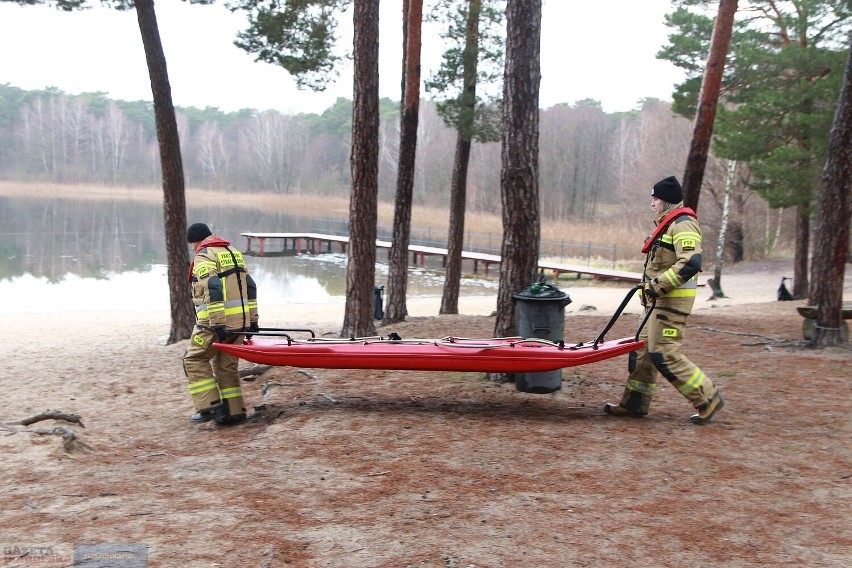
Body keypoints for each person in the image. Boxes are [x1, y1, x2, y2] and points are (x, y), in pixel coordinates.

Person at [605, 176, 725, 424]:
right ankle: (634, 404)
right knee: (643, 354)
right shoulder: (668, 224)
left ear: (667, 200)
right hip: (655, 305)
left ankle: (708, 397)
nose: (652, 204)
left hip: (670, 306)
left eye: (655, 199)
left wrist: (657, 287)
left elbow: (691, 263)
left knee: (665, 354)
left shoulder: (683, 224)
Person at [183, 223, 259, 426]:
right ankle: (234, 413)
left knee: (194, 359)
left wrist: (216, 323)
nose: (193, 249)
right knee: (226, 367)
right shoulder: (232, 252)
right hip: (239, 324)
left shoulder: (205, 255)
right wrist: (252, 321)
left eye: (193, 245)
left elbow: (213, 286)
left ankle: (209, 406)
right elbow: (250, 286)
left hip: (215, 324)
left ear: (196, 241)